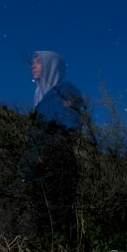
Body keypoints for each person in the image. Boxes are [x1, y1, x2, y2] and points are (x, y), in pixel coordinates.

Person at [19, 50, 87, 241]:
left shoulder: (65, 91)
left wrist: (46, 154)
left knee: (57, 215)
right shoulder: (40, 95)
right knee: (40, 216)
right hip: (39, 167)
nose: (33, 65)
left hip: (55, 166)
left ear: (50, 66)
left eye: (38, 62)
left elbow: (69, 124)